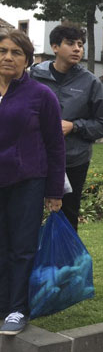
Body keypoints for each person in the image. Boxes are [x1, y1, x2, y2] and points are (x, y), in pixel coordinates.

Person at [0, 29, 65, 335]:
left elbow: (55, 145)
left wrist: (53, 191)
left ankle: (16, 308)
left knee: (22, 247)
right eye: (2, 51)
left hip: (27, 181)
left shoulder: (41, 95)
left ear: (27, 60)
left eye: (15, 52)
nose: (7, 57)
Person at [31, 23, 103, 231]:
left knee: (67, 217)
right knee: (27, 215)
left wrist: (74, 126)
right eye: (70, 43)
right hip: (33, 158)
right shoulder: (33, 77)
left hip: (73, 161)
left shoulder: (91, 83)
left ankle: (66, 263)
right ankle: (27, 262)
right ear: (55, 47)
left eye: (80, 44)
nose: (77, 48)